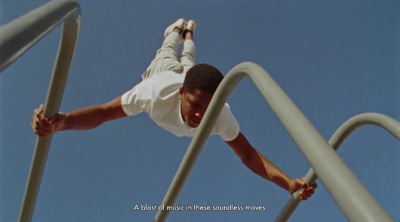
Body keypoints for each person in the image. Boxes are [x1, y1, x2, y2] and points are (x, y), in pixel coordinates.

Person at [31, 19, 316, 200]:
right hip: (164, 73)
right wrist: (60, 122)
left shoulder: (219, 113)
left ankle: (189, 34)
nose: (201, 116)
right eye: (196, 106)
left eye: (209, 108)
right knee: (169, 52)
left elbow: (249, 154)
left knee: (189, 59)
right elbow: (105, 112)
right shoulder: (153, 93)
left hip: (188, 75)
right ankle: (175, 30)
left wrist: (288, 183)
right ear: (182, 94)